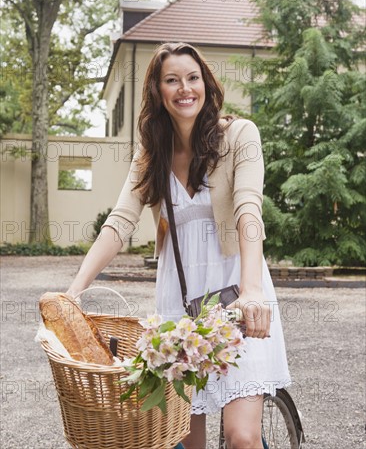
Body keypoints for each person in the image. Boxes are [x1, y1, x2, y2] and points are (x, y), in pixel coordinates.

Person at [67, 42, 291, 449]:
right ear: (158, 91)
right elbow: (120, 222)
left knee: (242, 435)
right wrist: (75, 289)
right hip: (181, 302)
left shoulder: (240, 135)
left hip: (238, 289)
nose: (184, 88)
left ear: (205, 83)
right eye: (172, 80)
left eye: (192, 78)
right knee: (184, 440)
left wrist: (253, 290)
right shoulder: (152, 153)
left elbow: (248, 210)